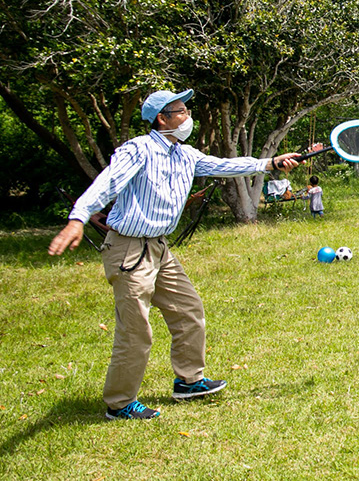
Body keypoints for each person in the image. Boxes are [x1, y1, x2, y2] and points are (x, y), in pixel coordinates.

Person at [46, 89, 303, 421]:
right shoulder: (138, 149)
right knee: (136, 330)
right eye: (181, 112)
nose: (188, 117)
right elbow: (107, 183)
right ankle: (120, 403)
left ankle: (189, 381)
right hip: (128, 248)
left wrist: (269, 163)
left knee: (188, 309)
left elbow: (224, 166)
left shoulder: (185, 155)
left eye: (187, 110)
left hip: (159, 247)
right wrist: (78, 217)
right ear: (161, 119)